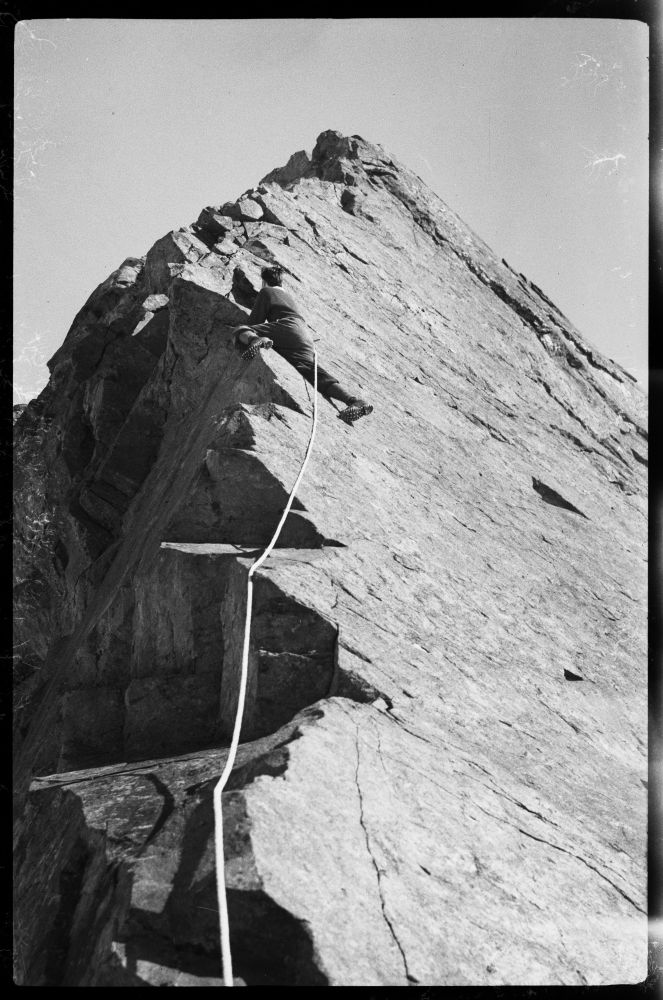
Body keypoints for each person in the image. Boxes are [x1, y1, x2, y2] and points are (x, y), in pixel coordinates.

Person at [233, 266, 373, 424]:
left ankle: (256, 341)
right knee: (310, 371)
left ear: (264, 281)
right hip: (304, 336)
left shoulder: (267, 292)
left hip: (287, 327)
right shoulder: (288, 296)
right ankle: (353, 401)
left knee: (241, 329)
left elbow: (254, 322)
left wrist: (255, 334)